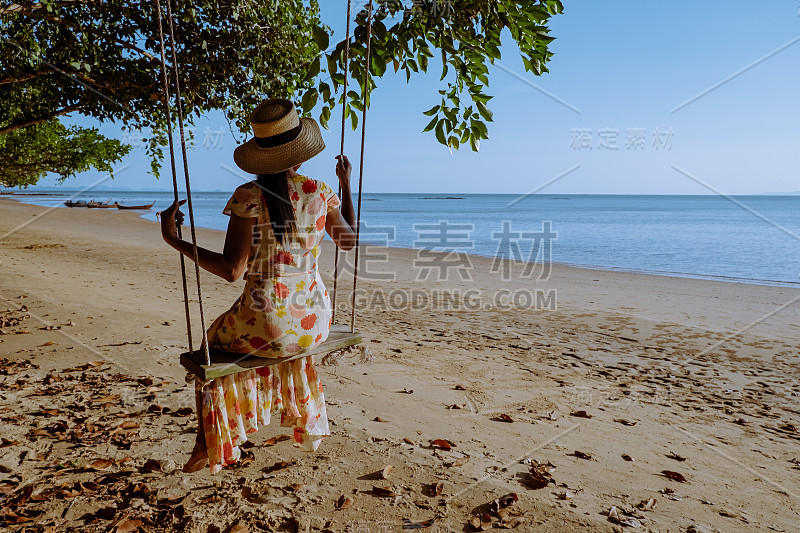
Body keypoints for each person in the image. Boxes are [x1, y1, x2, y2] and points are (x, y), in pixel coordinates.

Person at [159, 98, 357, 473]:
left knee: (212, 343)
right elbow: (349, 241)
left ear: (262, 154)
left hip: (267, 325)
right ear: (300, 152)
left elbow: (233, 270)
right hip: (314, 322)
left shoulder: (249, 196)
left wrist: (173, 238)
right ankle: (261, 416)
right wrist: (346, 186)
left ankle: (210, 440)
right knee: (271, 339)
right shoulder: (320, 190)